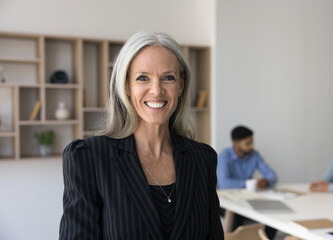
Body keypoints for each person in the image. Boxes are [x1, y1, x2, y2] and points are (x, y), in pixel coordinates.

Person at [59, 32, 224, 240]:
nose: (156, 90)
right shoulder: (87, 158)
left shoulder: (203, 158)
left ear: (181, 85)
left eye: (168, 78)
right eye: (143, 78)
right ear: (126, 85)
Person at [217, 125, 277, 239]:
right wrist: (250, 183)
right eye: (247, 143)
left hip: (249, 199)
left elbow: (272, 175)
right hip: (228, 201)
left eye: (252, 142)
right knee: (236, 214)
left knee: (273, 213)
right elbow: (224, 183)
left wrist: (266, 181)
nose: (252, 146)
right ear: (236, 143)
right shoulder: (224, 156)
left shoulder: (254, 155)